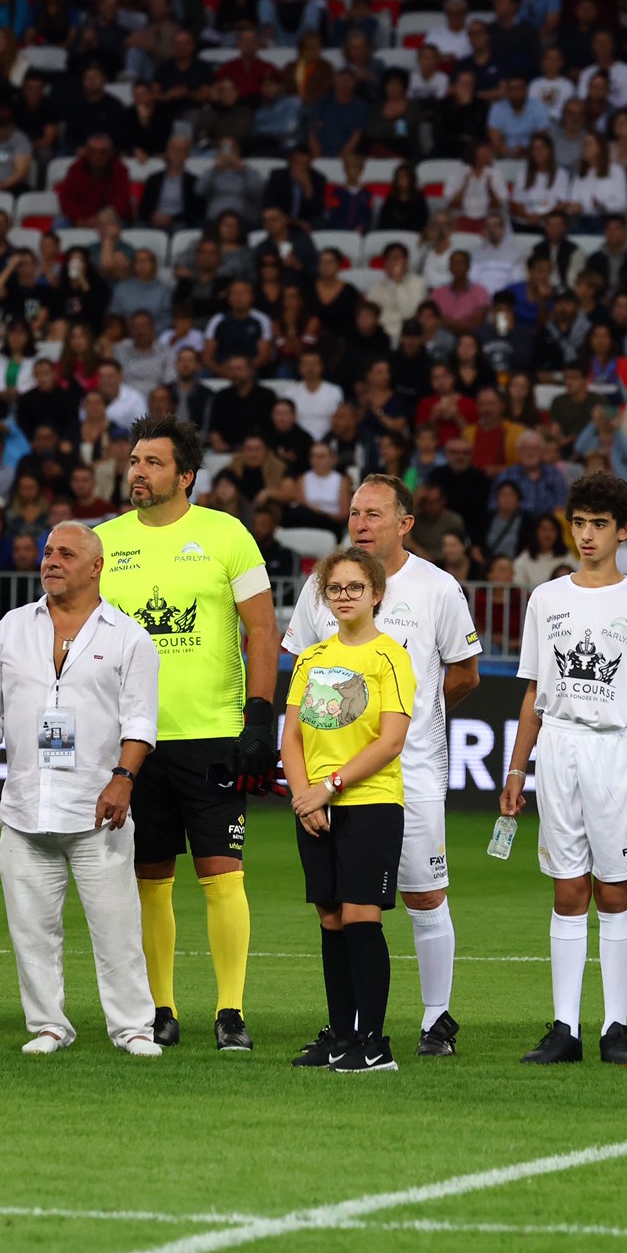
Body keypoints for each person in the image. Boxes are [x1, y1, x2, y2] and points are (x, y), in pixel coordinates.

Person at [96, 417, 279, 1051]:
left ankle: (231, 1011)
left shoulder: (227, 536)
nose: (137, 472)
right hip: (133, 740)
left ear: (185, 476)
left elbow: (262, 630)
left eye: (151, 461)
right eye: (133, 460)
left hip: (211, 735)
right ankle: (161, 1010)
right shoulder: (103, 542)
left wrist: (260, 715)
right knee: (149, 879)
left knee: (222, 874)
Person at [281, 476, 480, 1057]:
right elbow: (303, 671)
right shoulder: (324, 587)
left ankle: (435, 1017)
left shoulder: (436, 588)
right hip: (325, 777)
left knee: (422, 893)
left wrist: (405, 717)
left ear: (405, 522)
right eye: (353, 513)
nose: (360, 523)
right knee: (336, 907)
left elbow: (464, 673)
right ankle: (347, 1028)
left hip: (406, 769)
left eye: (373, 514)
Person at [498, 474, 627, 1067]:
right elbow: (533, 693)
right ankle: (565, 1029)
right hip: (559, 747)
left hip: (618, 749)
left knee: (614, 889)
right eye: (579, 523)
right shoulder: (546, 599)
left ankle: (616, 1028)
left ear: (624, 530)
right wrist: (516, 768)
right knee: (568, 887)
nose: (587, 535)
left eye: (600, 524)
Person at [0, 524, 163, 1058]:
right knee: (31, 930)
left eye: (65, 554)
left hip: (98, 809)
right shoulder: (11, 628)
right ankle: (48, 1025)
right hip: (25, 807)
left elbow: (140, 722)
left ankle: (133, 1028)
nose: (51, 561)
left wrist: (123, 780)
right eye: (48, 552)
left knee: (117, 929)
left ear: (96, 567)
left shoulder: (128, 636)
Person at [281, 548, 415, 1075]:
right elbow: (291, 735)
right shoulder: (312, 659)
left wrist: (328, 787)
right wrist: (303, 795)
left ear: (376, 594)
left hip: (370, 802)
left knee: (361, 916)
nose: (344, 596)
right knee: (330, 917)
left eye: (355, 587)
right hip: (313, 805)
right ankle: (340, 1037)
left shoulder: (390, 657)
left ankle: (375, 1043)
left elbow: (391, 740)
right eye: (335, 588)